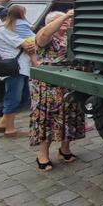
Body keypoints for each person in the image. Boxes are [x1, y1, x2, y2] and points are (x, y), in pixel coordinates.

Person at [30, 10, 85, 171]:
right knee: (47, 119)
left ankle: (65, 149)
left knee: (69, 117)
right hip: (49, 86)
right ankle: (43, 155)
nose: (66, 22)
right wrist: (66, 15)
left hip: (69, 82)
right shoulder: (46, 37)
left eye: (68, 20)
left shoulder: (70, 36)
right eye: (58, 20)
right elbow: (43, 35)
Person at [0, 5, 36, 137]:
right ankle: (10, 130)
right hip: (16, 67)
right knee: (14, 98)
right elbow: (27, 45)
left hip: (19, 67)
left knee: (22, 97)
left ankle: (3, 123)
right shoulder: (2, 30)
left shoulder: (1, 28)